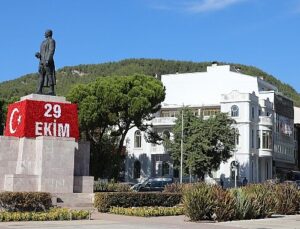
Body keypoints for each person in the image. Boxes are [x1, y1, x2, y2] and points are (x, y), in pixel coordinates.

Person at [35, 29, 56, 95]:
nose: (44, 34)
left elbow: (51, 51)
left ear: (49, 33)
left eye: (45, 33)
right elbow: (42, 53)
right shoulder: (43, 42)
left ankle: (51, 90)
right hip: (41, 62)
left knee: (50, 76)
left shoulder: (52, 41)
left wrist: (48, 60)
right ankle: (39, 90)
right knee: (41, 76)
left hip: (48, 61)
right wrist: (38, 55)